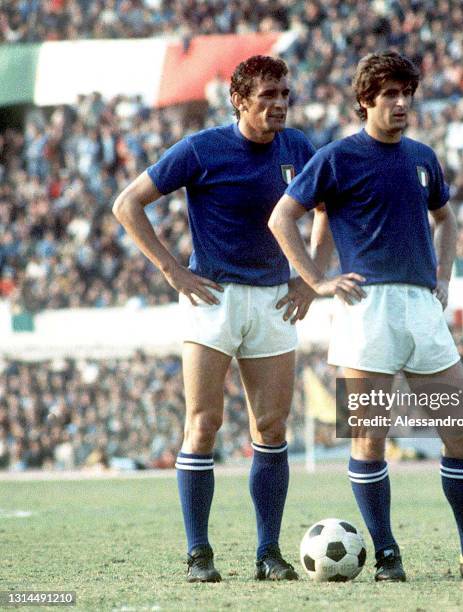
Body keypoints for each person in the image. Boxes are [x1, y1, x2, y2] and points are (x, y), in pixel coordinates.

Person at [269, 51, 463, 582]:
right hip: (366, 313)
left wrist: (443, 277)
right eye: (390, 94)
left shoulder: (422, 157)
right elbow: (282, 217)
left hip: (421, 311)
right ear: (365, 100)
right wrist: (316, 282)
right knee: (370, 440)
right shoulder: (337, 158)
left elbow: (446, 219)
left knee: (460, 432)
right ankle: (388, 554)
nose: (400, 104)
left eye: (406, 95)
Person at [113, 55, 331, 583]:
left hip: (275, 299)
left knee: (271, 427)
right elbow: (128, 204)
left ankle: (268, 553)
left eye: (284, 96)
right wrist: (171, 270)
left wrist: (310, 279)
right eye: (267, 97)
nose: (278, 105)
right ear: (239, 100)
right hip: (213, 298)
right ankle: (198, 554)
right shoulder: (202, 148)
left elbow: (328, 209)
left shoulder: (299, 147)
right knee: (204, 424)